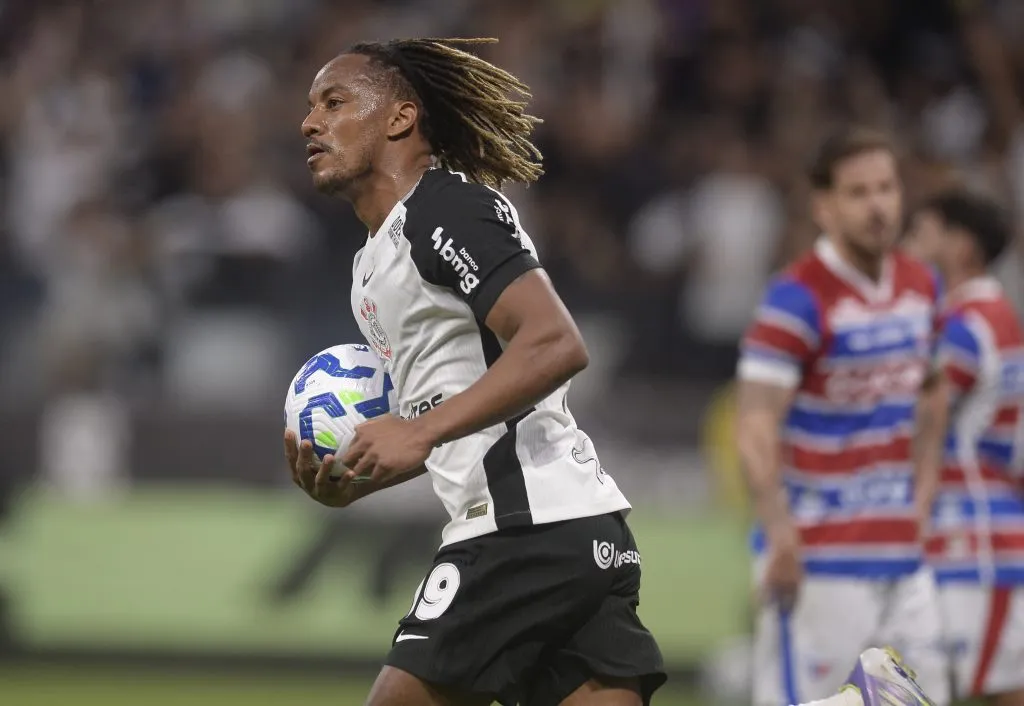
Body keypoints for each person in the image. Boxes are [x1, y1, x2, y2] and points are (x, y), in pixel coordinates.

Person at [283, 38, 665, 706]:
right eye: (311, 107)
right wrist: (362, 477)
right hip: (576, 528)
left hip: (522, 531)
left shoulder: (445, 208)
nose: (309, 122)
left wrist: (419, 431)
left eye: (334, 102)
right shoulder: (372, 265)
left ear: (400, 118)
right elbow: (457, 410)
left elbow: (554, 343)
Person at [735, 126, 950, 706]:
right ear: (824, 207)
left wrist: (925, 490)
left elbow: (933, 392)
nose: (878, 205)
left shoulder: (922, 284)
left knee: (924, 700)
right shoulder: (795, 298)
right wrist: (778, 529)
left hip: (903, 555)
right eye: (858, 192)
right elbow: (754, 421)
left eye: (886, 188)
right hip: (818, 557)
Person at [905, 191, 1024, 706]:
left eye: (922, 231)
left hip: (974, 542)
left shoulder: (966, 327)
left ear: (961, 246)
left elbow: (912, 420)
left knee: (934, 688)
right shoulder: (990, 315)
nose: (908, 244)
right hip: (977, 537)